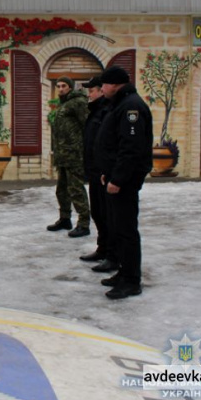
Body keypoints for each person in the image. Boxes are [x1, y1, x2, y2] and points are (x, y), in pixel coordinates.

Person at [94, 66, 153, 299]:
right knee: (118, 227)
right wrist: (108, 173)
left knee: (126, 229)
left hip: (125, 181)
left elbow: (131, 147)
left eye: (103, 85)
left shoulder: (131, 107)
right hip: (115, 177)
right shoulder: (121, 103)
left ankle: (131, 280)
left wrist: (118, 178)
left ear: (115, 84)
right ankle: (123, 271)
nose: (101, 89)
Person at [78, 76, 117, 272]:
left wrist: (105, 170)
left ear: (102, 91)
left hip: (102, 173)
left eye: (91, 90)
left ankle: (112, 255)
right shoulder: (95, 111)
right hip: (94, 171)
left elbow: (108, 145)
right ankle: (102, 249)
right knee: (98, 214)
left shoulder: (106, 111)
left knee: (106, 215)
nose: (89, 94)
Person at [47, 77, 90, 238]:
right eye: (58, 86)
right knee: (62, 190)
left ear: (71, 87)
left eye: (64, 86)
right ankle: (65, 219)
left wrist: (83, 149)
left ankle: (84, 223)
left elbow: (87, 125)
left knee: (76, 189)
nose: (60, 89)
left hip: (74, 154)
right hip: (63, 155)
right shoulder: (64, 104)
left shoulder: (78, 102)